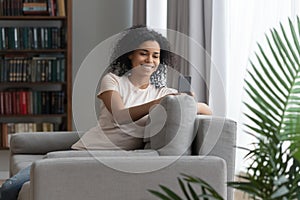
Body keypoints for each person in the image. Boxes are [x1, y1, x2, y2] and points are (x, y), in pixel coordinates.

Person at [0, 25, 212, 200]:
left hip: (113, 158)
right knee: (10, 187)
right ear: (130, 55)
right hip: (84, 151)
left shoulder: (166, 93)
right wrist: (160, 102)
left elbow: (207, 110)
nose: (150, 60)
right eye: (143, 53)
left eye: (156, 56)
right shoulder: (113, 81)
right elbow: (120, 115)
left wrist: (188, 100)